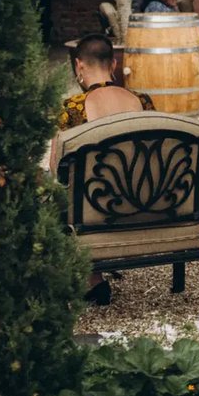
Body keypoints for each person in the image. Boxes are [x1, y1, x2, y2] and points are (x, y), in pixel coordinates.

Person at [53, 35, 156, 305]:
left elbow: (57, 170)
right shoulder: (143, 101)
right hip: (148, 205)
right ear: (113, 64)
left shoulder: (71, 109)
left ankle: (92, 278)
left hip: (96, 211)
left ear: (79, 65)